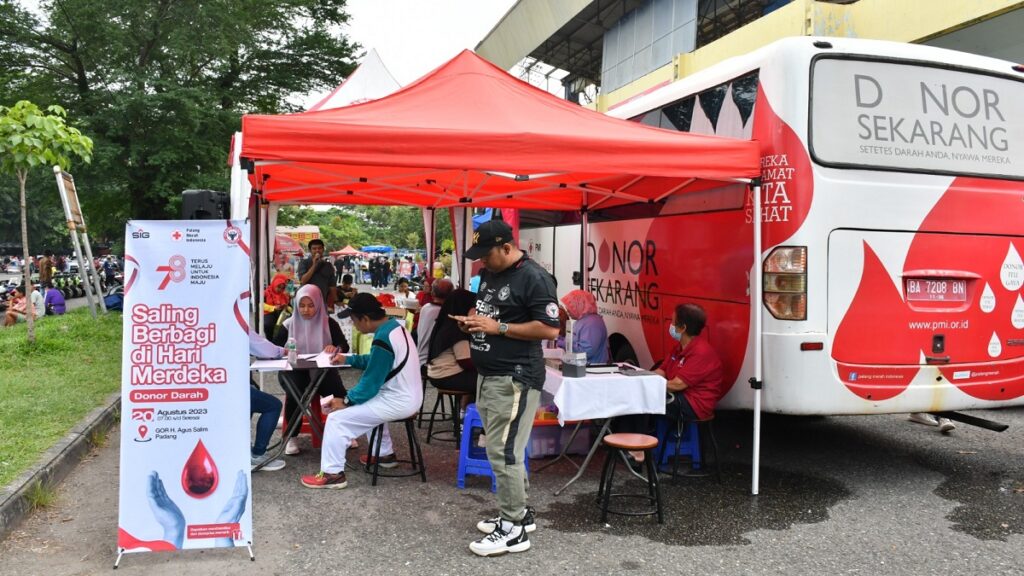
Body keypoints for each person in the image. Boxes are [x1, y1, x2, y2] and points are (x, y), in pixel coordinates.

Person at [455, 219, 559, 557]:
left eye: (487, 255)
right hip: (488, 373)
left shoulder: (535, 277)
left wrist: (498, 327)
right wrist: (474, 320)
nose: (483, 262)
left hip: (515, 376)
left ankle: (513, 528)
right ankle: (521, 512)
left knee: (504, 451)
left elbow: (549, 330)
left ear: (506, 247)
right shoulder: (489, 273)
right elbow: (483, 308)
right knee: (502, 446)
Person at [301, 293, 422, 489]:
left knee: (336, 419)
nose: (354, 326)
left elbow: (370, 383)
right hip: (408, 396)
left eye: (354, 320)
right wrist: (348, 359)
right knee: (366, 405)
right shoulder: (395, 328)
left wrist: (346, 401)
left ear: (365, 319)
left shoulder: (383, 338)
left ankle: (333, 474)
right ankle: (384, 455)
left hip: (399, 400)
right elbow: (376, 361)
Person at [272, 285, 350, 455]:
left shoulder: (328, 323)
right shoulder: (288, 324)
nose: (306, 310)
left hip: (322, 370)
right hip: (294, 370)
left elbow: (344, 345)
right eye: (302, 305)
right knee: (296, 392)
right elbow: (274, 348)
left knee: (338, 392)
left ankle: (346, 433)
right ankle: (291, 437)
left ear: (319, 304)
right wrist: (285, 351)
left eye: (311, 305)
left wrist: (334, 347)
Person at [659, 303, 724, 424]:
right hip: (680, 396)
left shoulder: (701, 352)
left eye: (673, 322)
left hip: (694, 405)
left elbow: (677, 385)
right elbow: (662, 370)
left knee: (646, 403)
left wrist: (649, 386)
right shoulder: (679, 348)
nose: (670, 326)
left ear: (682, 328)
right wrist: (642, 377)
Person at [426, 288, 477, 407]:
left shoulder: (444, 323)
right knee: (485, 382)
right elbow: (465, 362)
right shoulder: (456, 329)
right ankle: (466, 413)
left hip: (435, 374)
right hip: (447, 376)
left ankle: (463, 411)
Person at [248, 330, 287, 471]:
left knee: (251, 403)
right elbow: (264, 349)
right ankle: (257, 455)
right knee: (273, 406)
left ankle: (244, 451)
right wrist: (283, 351)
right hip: (232, 386)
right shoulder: (234, 322)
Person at [558, 289, 609, 364]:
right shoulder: (582, 320)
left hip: (592, 369)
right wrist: (560, 339)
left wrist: (563, 343)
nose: (567, 310)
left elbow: (586, 352)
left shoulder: (592, 324)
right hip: (582, 367)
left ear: (579, 305)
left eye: (570, 306)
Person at [416, 279, 453, 365]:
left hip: (420, 358)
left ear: (432, 293)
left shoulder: (426, 307)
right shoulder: (443, 313)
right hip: (431, 362)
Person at [297, 239, 335, 308]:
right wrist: (314, 264)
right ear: (310, 250)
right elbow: (303, 280)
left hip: (323, 301)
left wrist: (335, 300)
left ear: (323, 249)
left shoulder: (328, 265)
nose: (317, 250)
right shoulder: (304, 263)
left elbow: (332, 285)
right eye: (314, 249)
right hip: (307, 302)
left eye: (319, 248)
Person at [262, 273, 291, 340]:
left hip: (281, 315)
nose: (280, 290)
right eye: (278, 286)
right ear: (274, 284)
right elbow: (261, 305)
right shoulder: (266, 293)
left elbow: (290, 308)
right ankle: (270, 341)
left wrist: (286, 307)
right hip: (268, 313)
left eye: (282, 288)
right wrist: (273, 308)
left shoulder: (284, 296)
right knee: (268, 324)